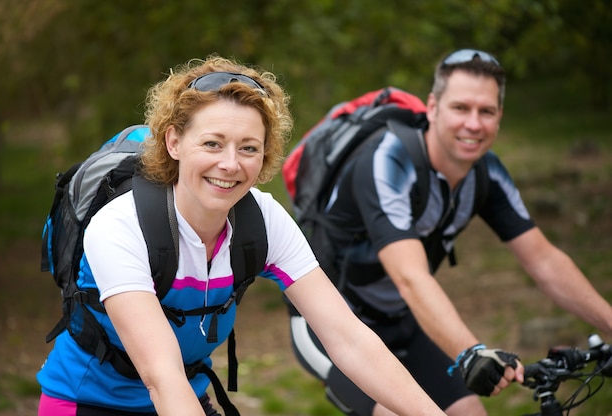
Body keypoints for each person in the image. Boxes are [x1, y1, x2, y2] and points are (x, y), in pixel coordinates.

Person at [36, 55, 447, 416]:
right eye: (213, 143)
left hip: (188, 394)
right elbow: (161, 375)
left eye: (248, 148)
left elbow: (350, 340)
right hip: (90, 402)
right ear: (174, 142)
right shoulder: (121, 226)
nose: (230, 164)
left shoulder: (262, 220)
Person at [289, 49, 612, 416]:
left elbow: (544, 260)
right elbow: (411, 276)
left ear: (499, 117)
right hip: (332, 323)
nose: (473, 124)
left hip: (403, 322)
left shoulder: (486, 173)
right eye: (461, 108)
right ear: (433, 107)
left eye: (486, 111)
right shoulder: (387, 160)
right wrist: (471, 352)